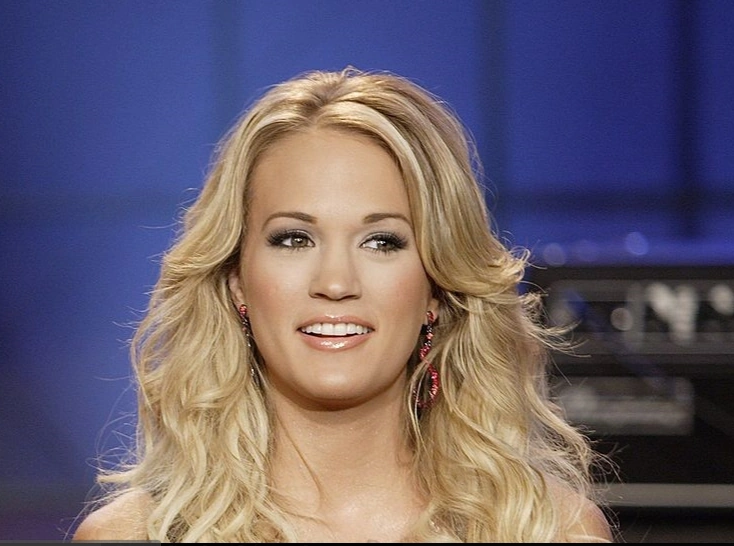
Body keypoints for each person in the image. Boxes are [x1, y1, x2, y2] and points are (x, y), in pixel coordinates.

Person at [72, 67, 616, 542]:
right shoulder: (133, 534)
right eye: (294, 239)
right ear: (236, 279)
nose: (335, 283)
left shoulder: (551, 530)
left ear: (436, 287)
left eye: (382, 242)